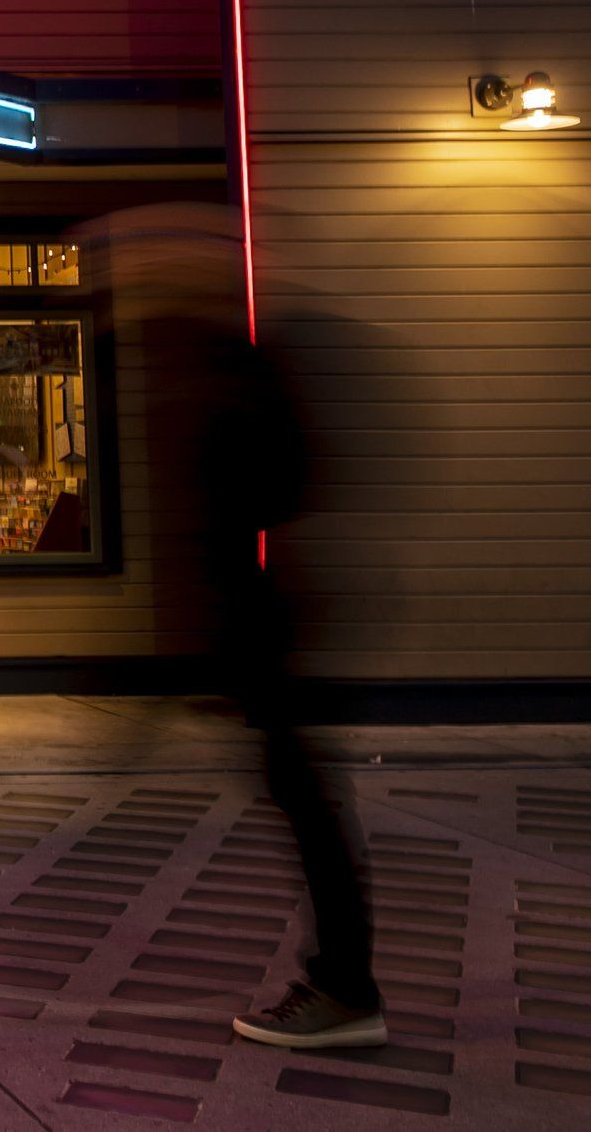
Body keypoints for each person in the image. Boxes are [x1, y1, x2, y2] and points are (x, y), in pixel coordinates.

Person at [82, 203, 383, 1049]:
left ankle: (346, 985)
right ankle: (340, 975)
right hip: (261, 623)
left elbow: (249, 498)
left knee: (308, 799)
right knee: (305, 796)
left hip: (265, 624)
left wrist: (202, 635)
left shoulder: (226, 362)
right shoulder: (218, 358)